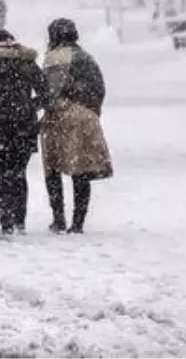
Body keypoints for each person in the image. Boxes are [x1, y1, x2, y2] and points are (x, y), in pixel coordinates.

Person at [0, 28, 48, 237]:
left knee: (2, 176)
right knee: (19, 174)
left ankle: (6, 223)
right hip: (24, 127)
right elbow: (46, 92)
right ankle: (20, 221)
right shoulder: (26, 62)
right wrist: (30, 106)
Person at [41, 18, 113, 234]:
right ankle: (78, 222)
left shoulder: (56, 57)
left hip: (62, 116)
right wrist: (91, 111)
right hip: (87, 116)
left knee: (52, 168)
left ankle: (59, 218)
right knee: (81, 170)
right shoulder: (86, 56)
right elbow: (99, 88)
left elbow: (51, 92)